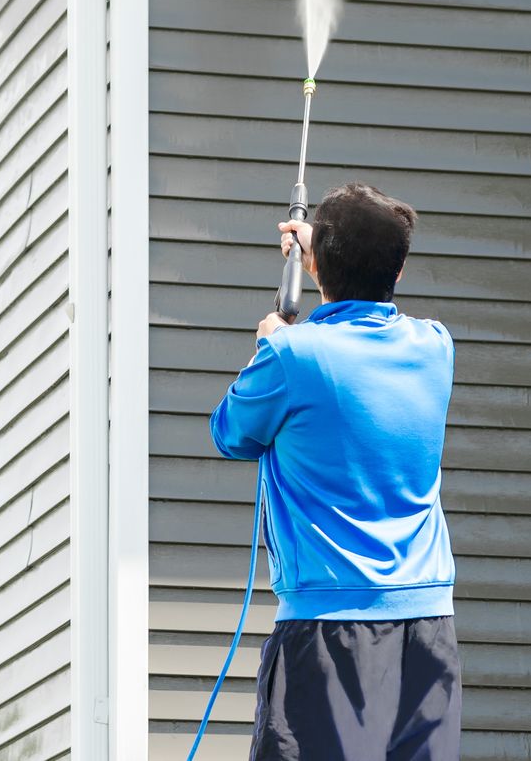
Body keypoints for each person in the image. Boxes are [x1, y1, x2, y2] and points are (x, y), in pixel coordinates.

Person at [210, 182, 460, 761]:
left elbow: (231, 434)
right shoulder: (435, 347)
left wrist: (271, 342)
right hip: (427, 628)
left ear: (317, 262)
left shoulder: (292, 356)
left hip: (328, 628)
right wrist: (322, 251)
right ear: (396, 274)